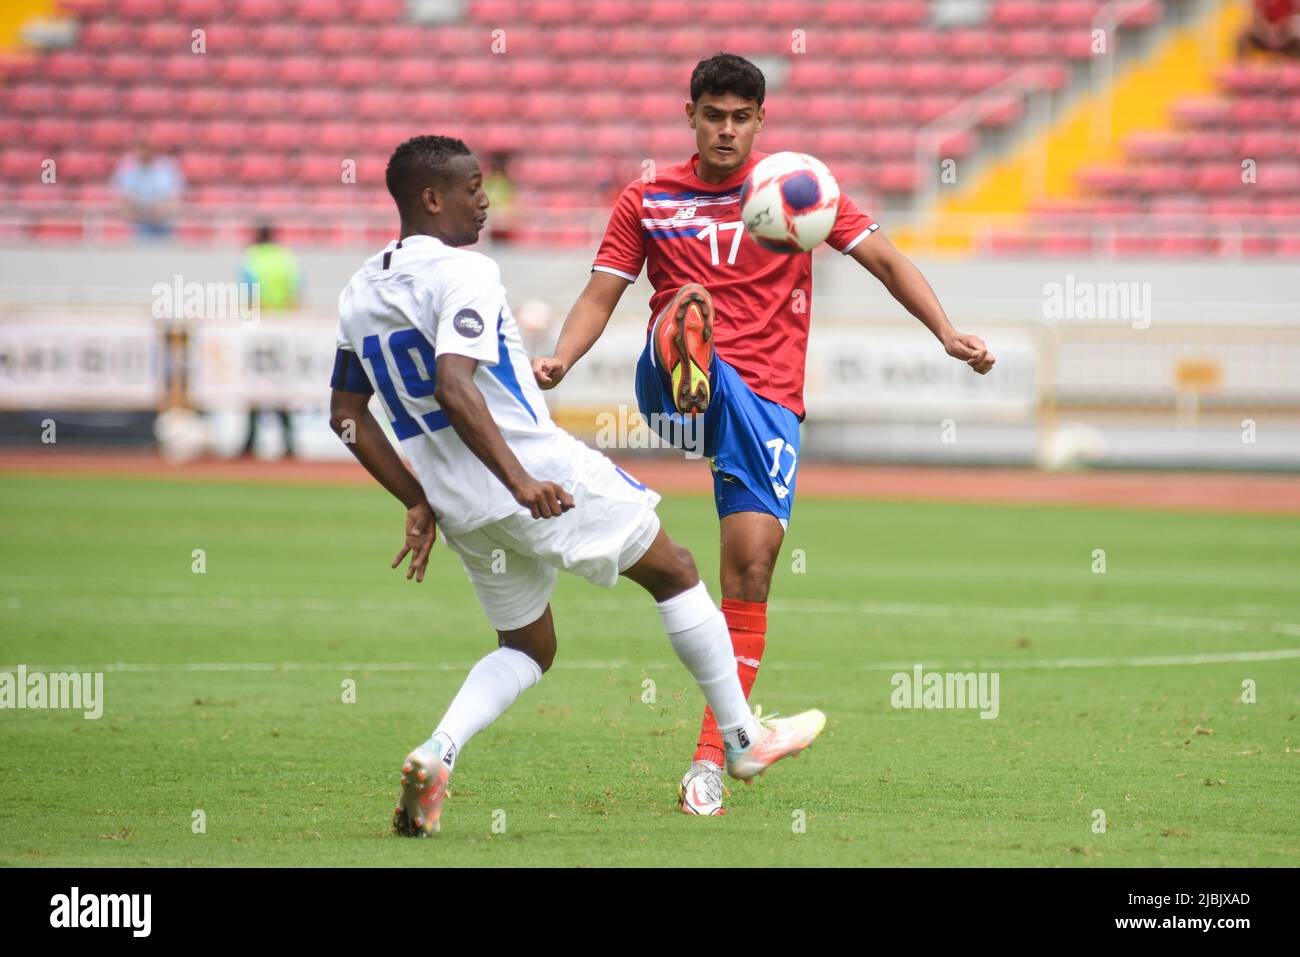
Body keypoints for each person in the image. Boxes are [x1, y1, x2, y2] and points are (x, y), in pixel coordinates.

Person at [531, 53, 997, 815]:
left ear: (760, 121)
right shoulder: (648, 198)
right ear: (690, 116)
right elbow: (600, 293)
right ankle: (690, 346)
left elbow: (884, 257)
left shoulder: (799, 189)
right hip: (674, 380)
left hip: (768, 403)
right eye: (711, 114)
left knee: (750, 566)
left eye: (739, 117)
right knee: (685, 304)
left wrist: (945, 331)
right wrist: (561, 359)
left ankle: (718, 756)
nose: (724, 129)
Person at [328, 135, 826, 837]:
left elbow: (344, 415)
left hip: (459, 506)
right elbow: (453, 384)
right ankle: (743, 740)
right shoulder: (465, 274)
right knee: (678, 572)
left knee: (528, 646)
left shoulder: (359, 290)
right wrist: (522, 478)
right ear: (430, 198)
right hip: (538, 474)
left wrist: (415, 497)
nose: (485, 199)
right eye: (472, 187)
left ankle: (436, 752)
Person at [239, 224, 302, 458]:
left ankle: (250, 441)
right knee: (282, 384)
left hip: (259, 329)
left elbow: (248, 294)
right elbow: (296, 293)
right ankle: (289, 442)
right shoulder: (286, 258)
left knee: (255, 383)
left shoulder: (251, 257)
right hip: (284, 329)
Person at [111, 140, 184, 238]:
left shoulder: (167, 166)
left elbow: (175, 192)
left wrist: (162, 205)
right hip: (137, 220)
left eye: (146, 149)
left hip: (162, 219)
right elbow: (121, 192)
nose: (143, 153)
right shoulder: (127, 167)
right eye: (140, 149)